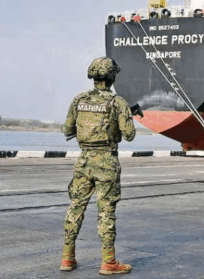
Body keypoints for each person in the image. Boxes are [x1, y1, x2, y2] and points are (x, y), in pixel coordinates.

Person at [60, 57, 136, 275]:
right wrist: (126, 118)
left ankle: (67, 258)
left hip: (84, 161)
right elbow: (129, 135)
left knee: (76, 206)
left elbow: (67, 130)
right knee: (106, 211)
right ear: (112, 77)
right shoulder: (117, 102)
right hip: (106, 162)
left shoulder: (79, 99)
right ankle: (109, 262)